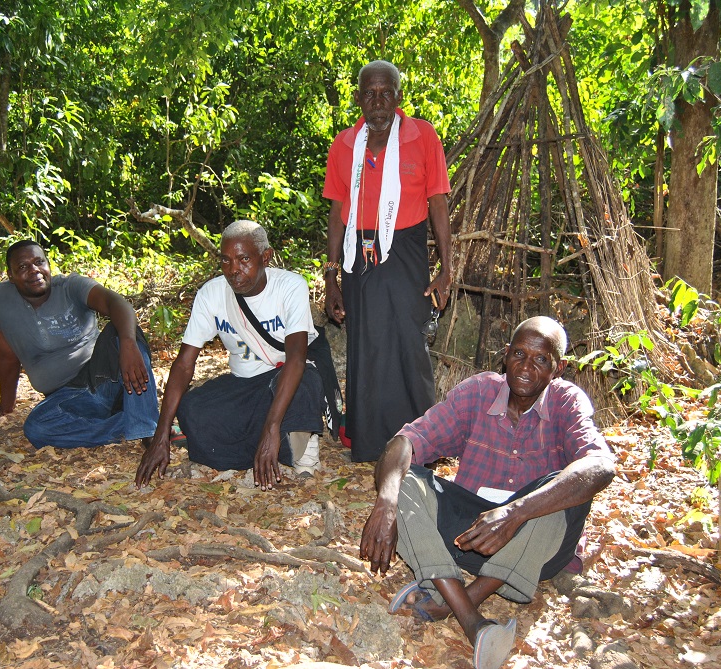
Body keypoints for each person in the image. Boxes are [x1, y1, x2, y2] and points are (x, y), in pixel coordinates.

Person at [358, 317, 616, 669]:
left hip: (533, 543)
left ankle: (451, 599)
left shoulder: (566, 401)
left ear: (559, 368)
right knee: (404, 480)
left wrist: (516, 512)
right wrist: (386, 503)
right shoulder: (478, 392)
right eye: (519, 354)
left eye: (541, 360)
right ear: (505, 355)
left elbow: (600, 465)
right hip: (470, 536)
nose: (526, 367)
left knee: (563, 488)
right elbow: (405, 442)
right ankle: (472, 621)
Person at [322, 59, 452, 463]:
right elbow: (337, 211)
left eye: (386, 93)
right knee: (366, 342)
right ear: (359, 98)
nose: (377, 102)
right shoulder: (345, 144)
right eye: (369, 94)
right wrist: (331, 277)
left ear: (398, 97)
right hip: (357, 256)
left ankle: (422, 442)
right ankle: (368, 441)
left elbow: (439, 202)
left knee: (409, 340)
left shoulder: (422, 136)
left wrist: (446, 268)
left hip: (406, 250)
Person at [135, 220, 324, 491]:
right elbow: (184, 364)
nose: (233, 270)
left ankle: (295, 444)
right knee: (193, 408)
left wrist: (271, 427)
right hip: (244, 385)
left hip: (285, 376)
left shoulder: (290, 287)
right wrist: (161, 433)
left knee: (304, 383)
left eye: (244, 259)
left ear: (266, 257)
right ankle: (282, 440)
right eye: (225, 261)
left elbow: (296, 358)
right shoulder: (212, 294)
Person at [0, 240, 159, 449]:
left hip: (105, 380)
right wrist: (6, 405)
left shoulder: (70, 287)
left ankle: (149, 431)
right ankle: (133, 421)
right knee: (37, 428)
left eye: (39, 262)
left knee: (122, 331)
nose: (34, 270)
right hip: (66, 398)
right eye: (23, 267)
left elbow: (116, 303)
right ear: (10, 275)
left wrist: (128, 343)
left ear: (48, 265)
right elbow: (6, 355)